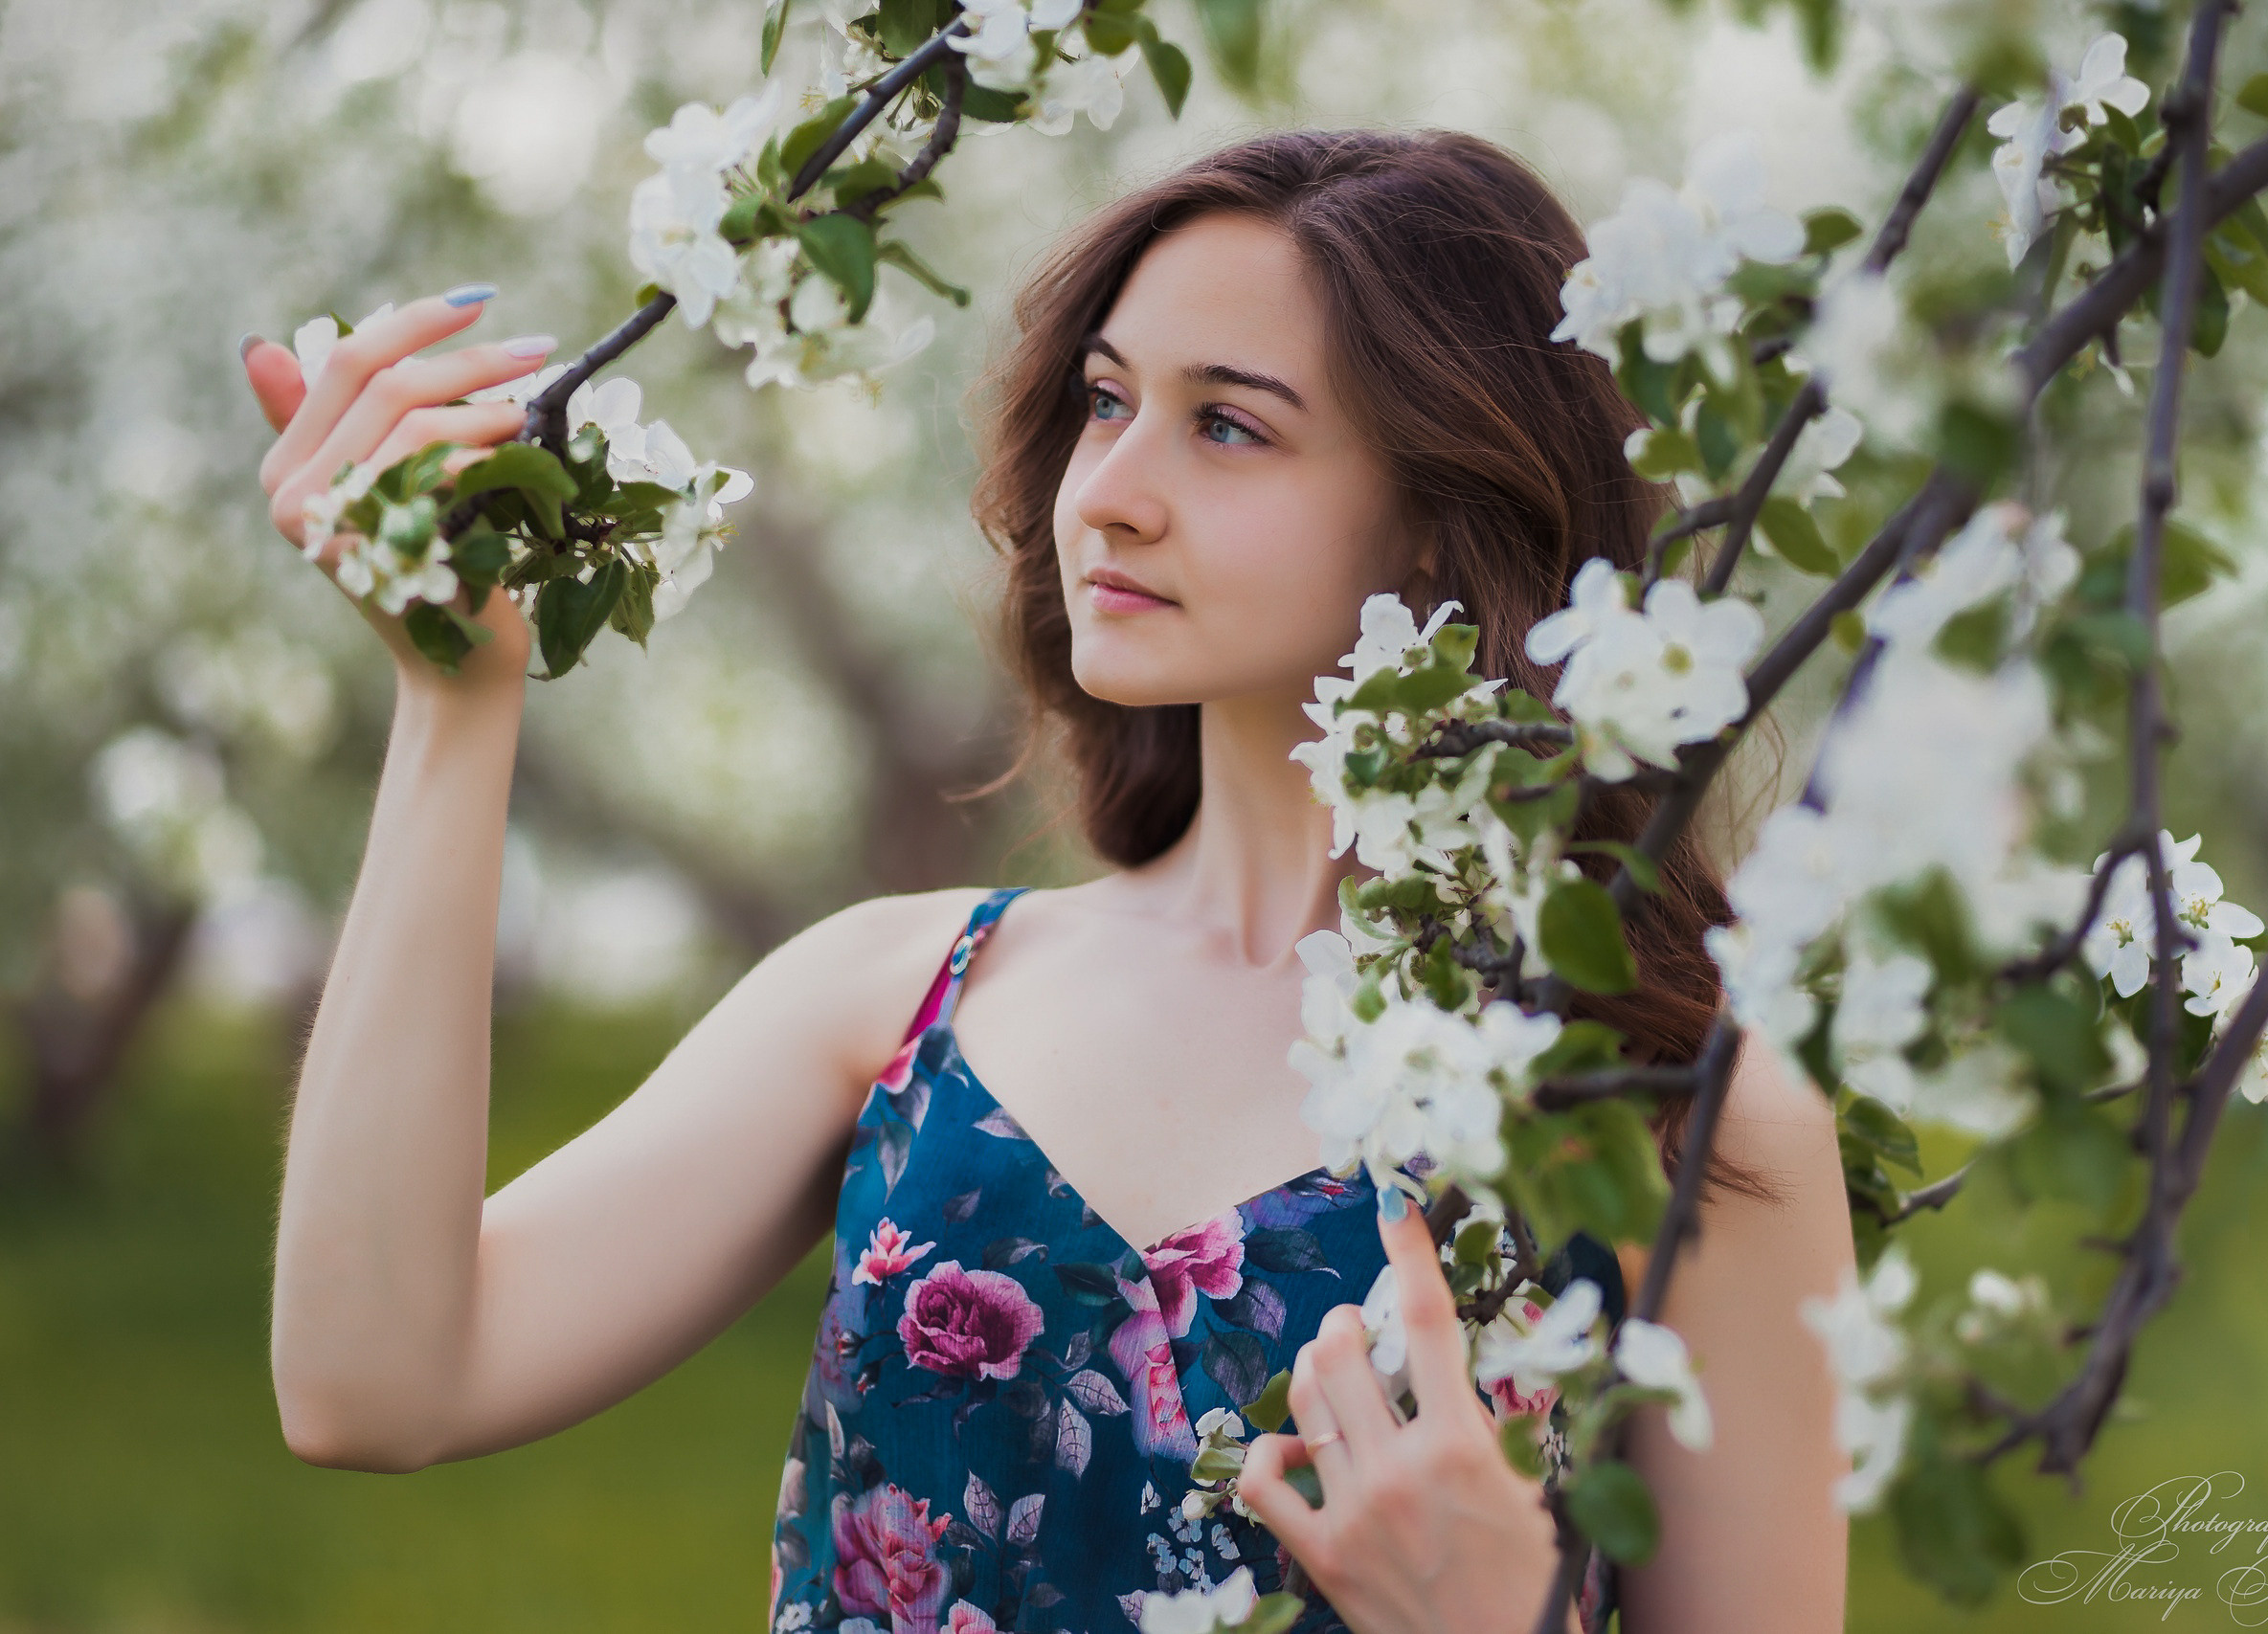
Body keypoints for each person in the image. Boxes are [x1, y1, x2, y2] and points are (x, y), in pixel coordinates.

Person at [248, 128, 1854, 1634]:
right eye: (1105, 401)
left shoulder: (1669, 1105)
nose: (1110, 491)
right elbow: (378, 1380)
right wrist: (456, 698)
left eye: (1228, 423)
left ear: (1440, 518)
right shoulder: (902, 999)